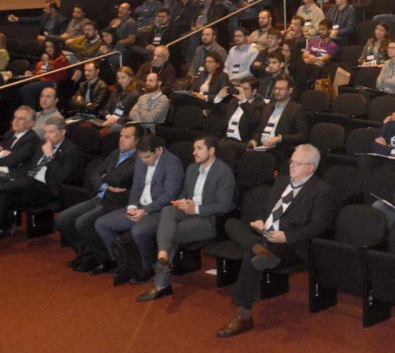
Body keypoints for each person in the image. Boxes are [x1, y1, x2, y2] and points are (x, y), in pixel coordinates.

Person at [216, 144, 338, 338]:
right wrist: (261, 223)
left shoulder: (321, 191)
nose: (291, 166)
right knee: (231, 223)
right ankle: (260, 249)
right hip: (266, 235)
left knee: (249, 255)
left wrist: (286, 236)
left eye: (297, 163)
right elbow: (268, 212)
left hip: (291, 245)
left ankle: (243, 316)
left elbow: (318, 226)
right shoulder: (281, 182)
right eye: (291, 161)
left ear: (311, 168)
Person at [0, 117, 81, 263]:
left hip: (47, 191)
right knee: (0, 196)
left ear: (63, 132)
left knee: (25, 182)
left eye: (51, 132)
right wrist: (14, 177)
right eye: (45, 132)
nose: (47, 136)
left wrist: (50, 156)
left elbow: (63, 177)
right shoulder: (42, 145)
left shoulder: (71, 150)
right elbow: (27, 168)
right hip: (26, 186)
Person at [136, 137, 236, 302]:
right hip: (189, 212)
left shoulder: (224, 172)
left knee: (170, 233)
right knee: (168, 210)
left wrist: (195, 209)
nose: (194, 152)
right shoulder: (192, 168)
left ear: (211, 151)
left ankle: (161, 283)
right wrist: (181, 202)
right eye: (194, 148)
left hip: (209, 220)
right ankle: (163, 256)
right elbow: (184, 194)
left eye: (199, 148)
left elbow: (224, 206)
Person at [94, 135, 184, 285]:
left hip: (158, 210)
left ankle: (147, 267)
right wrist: (132, 206)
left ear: (157, 151)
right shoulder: (141, 159)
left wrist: (146, 210)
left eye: (147, 157)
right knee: (102, 224)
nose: (143, 161)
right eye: (141, 157)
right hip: (139, 207)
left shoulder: (172, 163)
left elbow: (170, 195)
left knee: (139, 231)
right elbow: (135, 188)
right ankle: (122, 263)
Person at [55, 124, 140, 273]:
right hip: (100, 196)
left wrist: (105, 178)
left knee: (83, 222)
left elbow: (118, 179)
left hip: (115, 201)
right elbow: (95, 173)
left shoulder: (138, 159)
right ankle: (87, 254)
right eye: (121, 135)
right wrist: (104, 185)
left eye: (127, 137)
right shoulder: (115, 153)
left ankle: (105, 258)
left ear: (137, 141)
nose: (121, 139)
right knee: (62, 219)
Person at [247, 75, 310, 163]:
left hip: (278, 149)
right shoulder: (268, 107)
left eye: (281, 89)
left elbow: (302, 135)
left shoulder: (297, 109)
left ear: (290, 90)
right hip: (260, 147)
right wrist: (254, 141)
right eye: (275, 88)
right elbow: (259, 130)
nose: (276, 91)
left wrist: (279, 138)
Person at [19, 39, 70, 109]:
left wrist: (46, 62)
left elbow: (55, 75)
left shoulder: (62, 59)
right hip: (41, 80)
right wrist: (31, 73)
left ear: (56, 47)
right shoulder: (48, 58)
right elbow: (42, 71)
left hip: (53, 83)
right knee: (17, 87)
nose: (49, 49)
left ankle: (31, 112)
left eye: (51, 46)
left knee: (26, 90)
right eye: (47, 46)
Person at [99, 67, 140, 131]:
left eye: (123, 77)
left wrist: (116, 119)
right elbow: (106, 108)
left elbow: (132, 116)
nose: (120, 80)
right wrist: (109, 117)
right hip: (109, 120)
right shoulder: (115, 91)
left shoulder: (135, 94)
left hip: (123, 123)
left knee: (106, 130)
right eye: (118, 78)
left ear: (131, 78)